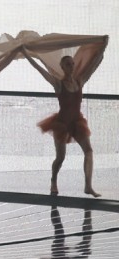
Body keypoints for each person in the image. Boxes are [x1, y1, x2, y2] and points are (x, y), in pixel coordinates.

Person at [21, 40, 108, 198]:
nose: (71, 66)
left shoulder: (80, 81)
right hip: (61, 124)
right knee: (60, 158)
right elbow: (40, 69)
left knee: (88, 151)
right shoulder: (58, 84)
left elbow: (94, 65)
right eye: (67, 64)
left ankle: (88, 186)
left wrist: (103, 47)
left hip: (77, 123)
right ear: (62, 67)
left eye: (72, 64)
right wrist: (27, 54)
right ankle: (53, 180)